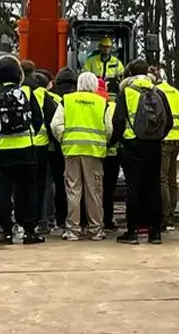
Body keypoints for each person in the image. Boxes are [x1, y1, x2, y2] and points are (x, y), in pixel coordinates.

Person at [0, 55, 45, 245]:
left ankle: (7, 232)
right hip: (26, 149)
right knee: (28, 191)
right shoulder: (27, 91)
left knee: (4, 191)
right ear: (19, 74)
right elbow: (38, 120)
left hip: (4, 150)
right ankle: (30, 231)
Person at [110, 60, 172, 245]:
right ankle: (155, 233)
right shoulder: (157, 91)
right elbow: (168, 121)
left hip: (132, 145)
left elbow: (117, 121)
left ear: (130, 73)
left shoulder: (126, 92)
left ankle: (131, 232)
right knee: (153, 188)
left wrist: (123, 140)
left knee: (133, 189)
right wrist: (157, 136)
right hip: (154, 145)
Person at [51, 71, 108, 240]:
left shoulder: (67, 100)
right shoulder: (101, 102)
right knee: (94, 191)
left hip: (72, 150)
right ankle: (96, 229)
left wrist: (65, 138)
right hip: (94, 152)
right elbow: (109, 128)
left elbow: (55, 125)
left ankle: (72, 230)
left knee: (73, 190)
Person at [28, 71, 59, 234]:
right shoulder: (47, 97)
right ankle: (43, 220)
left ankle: (27, 220)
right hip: (43, 146)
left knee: (26, 185)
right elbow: (53, 122)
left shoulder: (23, 93)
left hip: (24, 144)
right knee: (45, 185)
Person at [155, 67, 179, 229]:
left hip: (165, 139)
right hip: (177, 139)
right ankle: (171, 211)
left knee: (162, 179)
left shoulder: (157, 91)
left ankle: (165, 216)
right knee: (172, 178)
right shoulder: (175, 91)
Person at [44, 69, 70, 233]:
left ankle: (53, 218)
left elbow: (54, 125)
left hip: (50, 147)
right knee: (67, 185)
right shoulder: (67, 100)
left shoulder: (52, 98)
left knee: (52, 183)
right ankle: (64, 218)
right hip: (69, 148)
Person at [102, 97, 121, 232]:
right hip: (113, 154)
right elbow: (115, 129)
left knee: (94, 189)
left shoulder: (100, 105)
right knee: (109, 190)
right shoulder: (115, 106)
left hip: (97, 152)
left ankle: (91, 220)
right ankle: (107, 220)